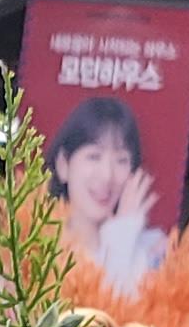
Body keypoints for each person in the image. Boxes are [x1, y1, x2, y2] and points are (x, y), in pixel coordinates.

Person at [44, 93, 169, 294]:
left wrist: (123, 235)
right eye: (94, 157)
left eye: (121, 160)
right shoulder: (33, 252)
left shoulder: (154, 251)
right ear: (63, 164)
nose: (107, 175)